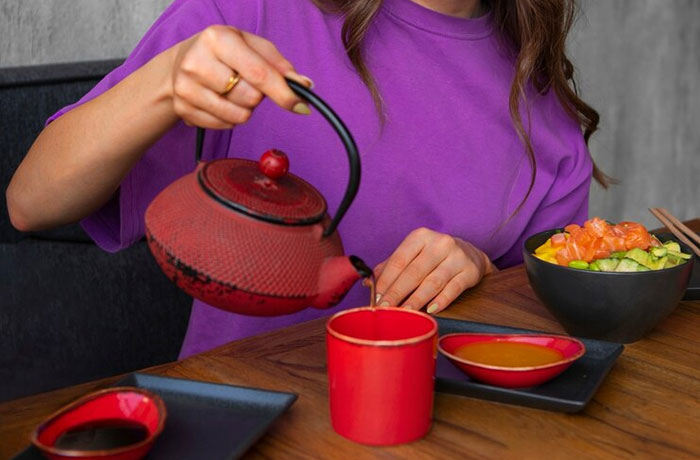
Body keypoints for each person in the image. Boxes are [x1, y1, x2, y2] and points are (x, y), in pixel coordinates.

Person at [6, 0, 606, 358]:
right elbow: (30, 201)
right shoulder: (253, 17)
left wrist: (480, 271)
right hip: (244, 431)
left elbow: (554, 336)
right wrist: (165, 83)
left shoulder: (546, 117)